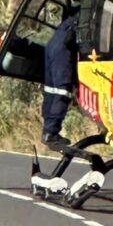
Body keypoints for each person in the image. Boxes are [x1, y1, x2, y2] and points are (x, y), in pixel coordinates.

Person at [41, 12, 79, 150]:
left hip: (53, 45)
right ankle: (51, 132)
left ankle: (47, 130)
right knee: (63, 91)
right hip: (63, 50)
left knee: (51, 90)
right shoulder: (88, 14)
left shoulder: (74, 16)